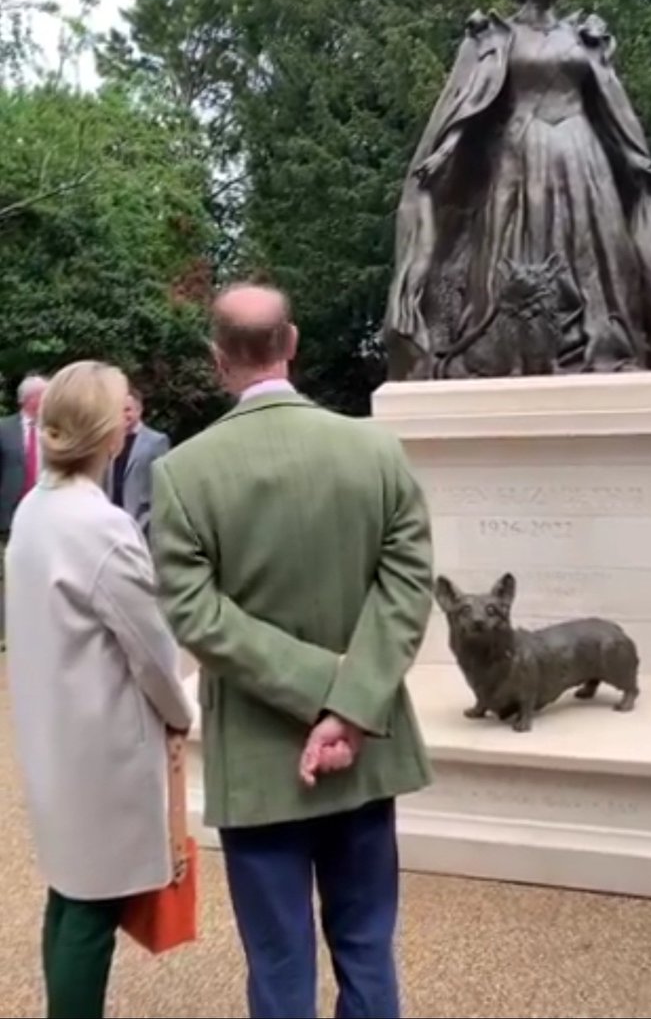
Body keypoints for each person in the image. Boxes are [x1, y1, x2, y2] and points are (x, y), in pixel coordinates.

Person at [151, 283, 433, 1019]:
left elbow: (195, 614)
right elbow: (407, 589)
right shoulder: (374, 450)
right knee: (367, 948)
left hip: (257, 752)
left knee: (279, 966)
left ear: (218, 362)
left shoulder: (182, 474)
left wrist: (317, 687)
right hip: (364, 745)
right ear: (293, 343)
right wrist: (347, 699)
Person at [385, 0, 651, 380]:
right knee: (515, 246)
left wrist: (633, 154)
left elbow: (610, 103)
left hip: (582, 152)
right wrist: (446, 149)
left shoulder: (584, 35)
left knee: (596, 250)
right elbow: (469, 102)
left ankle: (598, 342)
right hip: (518, 153)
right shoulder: (495, 36)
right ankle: (512, 348)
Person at [6, 360, 191, 1019]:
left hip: (54, 727)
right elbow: (151, 650)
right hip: (102, 740)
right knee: (91, 908)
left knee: (69, 891)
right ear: (109, 433)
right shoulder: (101, 525)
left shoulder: (34, 508)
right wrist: (181, 711)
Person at [0, 374, 48, 649]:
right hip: (11, 513)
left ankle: (39, 628)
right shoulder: (4, 429)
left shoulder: (53, 428)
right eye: (46, 395)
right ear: (31, 400)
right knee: (10, 573)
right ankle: (7, 632)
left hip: (46, 512)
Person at [107, 384, 170, 536]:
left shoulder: (157, 441)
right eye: (119, 410)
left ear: (139, 410)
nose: (123, 415)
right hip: (113, 520)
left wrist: (148, 520)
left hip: (141, 523)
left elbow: (162, 486)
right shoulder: (110, 441)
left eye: (127, 410)